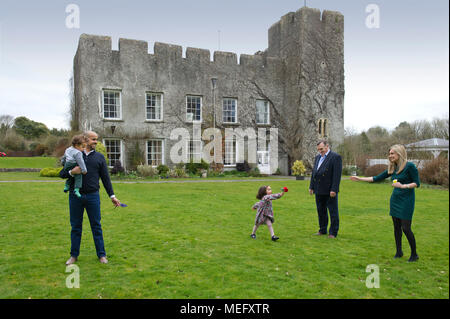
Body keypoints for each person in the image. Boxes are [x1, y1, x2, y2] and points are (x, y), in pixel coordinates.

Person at [350, 144, 420, 262]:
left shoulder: (410, 166)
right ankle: (399, 252)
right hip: (395, 200)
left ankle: (414, 254)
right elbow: (376, 178)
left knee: (406, 228)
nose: (390, 156)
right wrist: (359, 179)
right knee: (396, 227)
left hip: (406, 201)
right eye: (389, 153)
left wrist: (403, 186)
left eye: (392, 153)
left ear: (400, 153)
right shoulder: (393, 168)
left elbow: (417, 183)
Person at [59, 131, 121, 265]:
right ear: (85, 140)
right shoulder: (73, 154)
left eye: (96, 139)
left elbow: (106, 179)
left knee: (96, 226)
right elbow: (62, 173)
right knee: (75, 227)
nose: (96, 142)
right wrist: (71, 172)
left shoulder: (99, 157)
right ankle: (73, 256)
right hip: (75, 196)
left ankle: (102, 255)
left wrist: (112, 196)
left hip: (93, 196)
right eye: (94, 139)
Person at [309, 140, 342, 238]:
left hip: (329, 190)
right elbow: (314, 173)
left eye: (322, 149)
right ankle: (322, 229)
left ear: (327, 146)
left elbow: (337, 175)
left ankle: (333, 232)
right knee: (321, 211)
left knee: (333, 211)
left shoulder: (335, 157)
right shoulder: (317, 157)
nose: (320, 151)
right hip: (318, 189)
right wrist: (311, 187)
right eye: (318, 149)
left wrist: (334, 189)